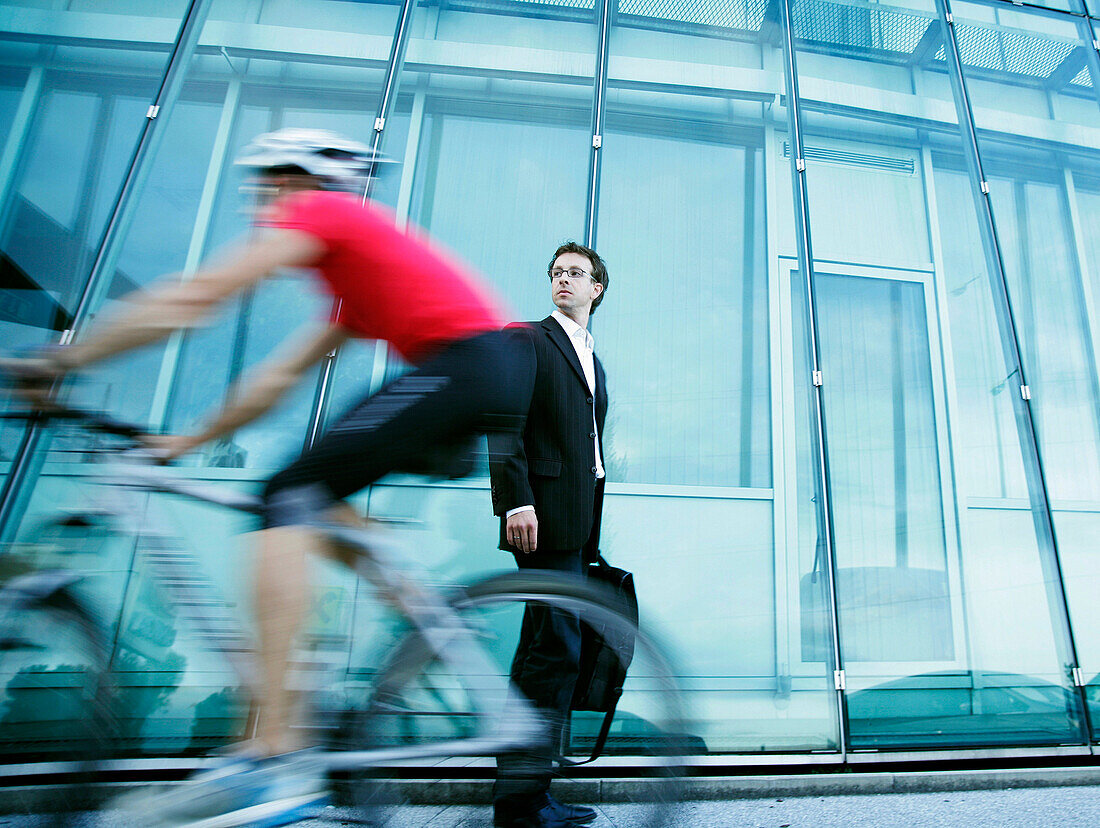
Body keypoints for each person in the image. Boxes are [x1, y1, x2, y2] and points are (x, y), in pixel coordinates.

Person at [12, 128, 534, 827]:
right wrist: (187, 441)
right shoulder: (354, 281)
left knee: (287, 496)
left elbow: (193, 299)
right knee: (311, 496)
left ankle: (277, 754)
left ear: (294, 182)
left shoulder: (327, 213)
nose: (262, 204)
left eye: (267, 186)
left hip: (470, 365)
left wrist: (61, 362)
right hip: (478, 372)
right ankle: (419, 611)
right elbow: (278, 378)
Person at [488, 242, 610, 828]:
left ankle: (521, 797)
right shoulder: (529, 338)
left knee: (542, 648)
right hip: (538, 520)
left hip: (574, 526)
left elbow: (590, 449)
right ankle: (524, 801)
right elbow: (504, 419)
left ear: (597, 289)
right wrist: (515, 500)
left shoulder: (593, 356)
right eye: (557, 273)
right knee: (555, 649)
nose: (563, 280)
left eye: (575, 274)